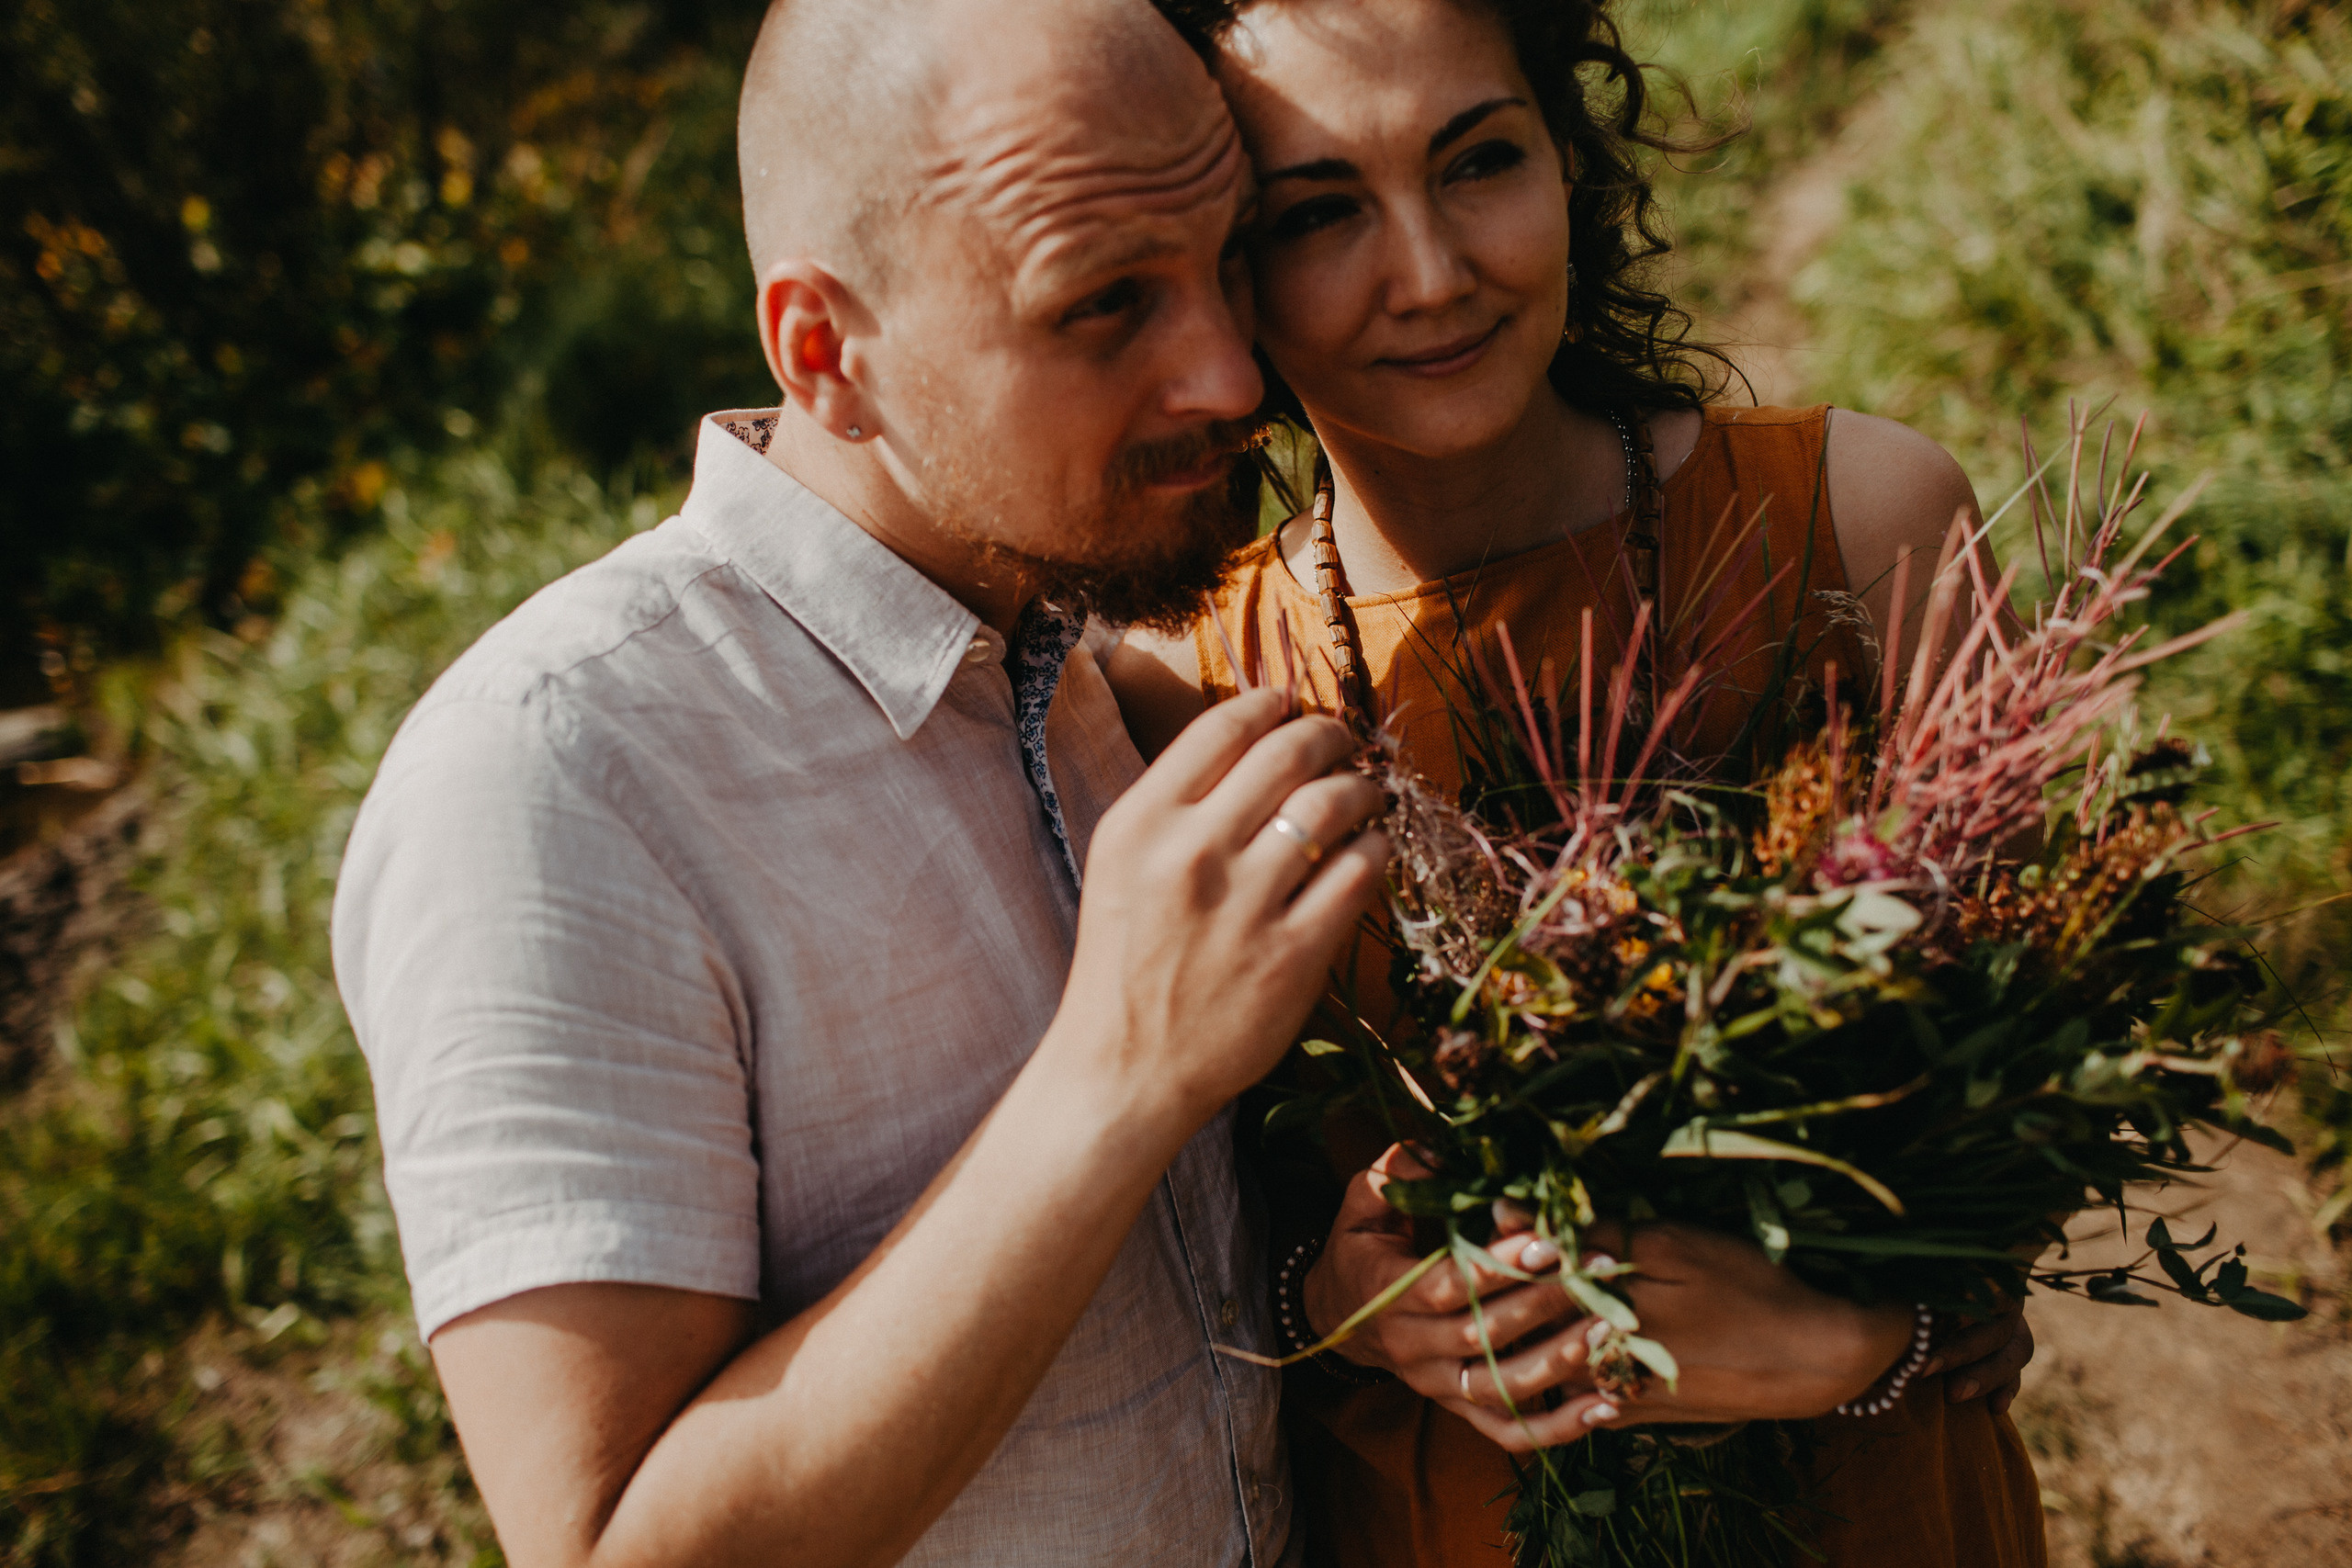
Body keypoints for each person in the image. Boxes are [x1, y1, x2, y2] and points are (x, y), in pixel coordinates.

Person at [330, 1, 1397, 1564]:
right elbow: (617, 1545)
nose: (1234, 375)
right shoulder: (554, 776)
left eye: (1230, 260)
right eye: (1105, 306)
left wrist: (1324, 1282)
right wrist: (1119, 1072)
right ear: (828, 356)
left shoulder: (1094, 650)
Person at [1109, 1, 2047, 1564]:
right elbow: (1188, 1236)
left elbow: (2025, 1129)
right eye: (1320, 212)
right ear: (1219, 268)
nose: (1431, 272)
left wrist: (1861, 1337)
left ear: (1570, 159)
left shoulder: (1867, 524)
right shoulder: (1173, 693)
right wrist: (1335, 1298)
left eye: (1479, 161)